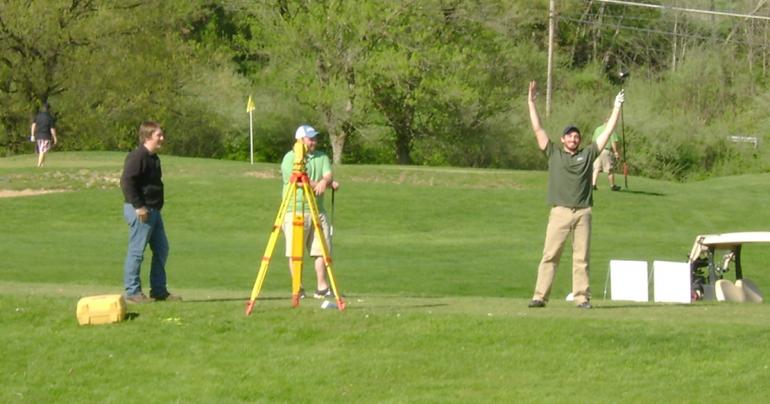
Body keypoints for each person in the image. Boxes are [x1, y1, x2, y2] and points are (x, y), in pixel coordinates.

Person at [526, 81, 624, 309]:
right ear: (562, 140)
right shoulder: (554, 154)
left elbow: (608, 131)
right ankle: (540, 296)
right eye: (569, 137)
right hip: (559, 211)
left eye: (576, 137)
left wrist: (616, 108)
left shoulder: (588, 155)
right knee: (550, 255)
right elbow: (538, 130)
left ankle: (582, 298)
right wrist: (531, 102)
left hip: (583, 213)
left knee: (581, 258)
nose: (573, 139)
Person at [120, 121, 180, 303]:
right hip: (140, 210)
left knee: (162, 249)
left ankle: (159, 290)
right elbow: (126, 182)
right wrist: (139, 207)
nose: (162, 138)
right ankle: (133, 292)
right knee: (137, 252)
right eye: (158, 136)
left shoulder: (154, 158)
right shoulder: (137, 156)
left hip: (154, 211)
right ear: (147, 137)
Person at [280, 125, 340, 299]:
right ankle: (297, 287)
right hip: (295, 209)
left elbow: (328, 175)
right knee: (295, 251)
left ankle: (322, 287)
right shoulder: (289, 158)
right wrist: (320, 184)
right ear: (300, 140)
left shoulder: (322, 157)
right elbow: (296, 180)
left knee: (321, 249)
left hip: (317, 209)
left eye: (315, 138)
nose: (313, 142)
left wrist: (325, 181)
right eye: (310, 138)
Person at [591, 117, 622, 191]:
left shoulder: (597, 129)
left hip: (597, 150)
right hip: (606, 150)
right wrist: (615, 152)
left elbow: (593, 141)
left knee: (596, 168)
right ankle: (612, 186)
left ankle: (593, 184)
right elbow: (613, 142)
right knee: (610, 169)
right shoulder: (610, 129)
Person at [30, 102, 58, 167]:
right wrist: (55, 137)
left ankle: (42, 165)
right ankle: (38, 165)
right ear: (49, 109)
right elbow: (52, 129)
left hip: (38, 136)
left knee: (42, 150)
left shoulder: (38, 116)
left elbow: (33, 125)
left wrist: (32, 135)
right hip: (46, 136)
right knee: (43, 150)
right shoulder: (50, 118)